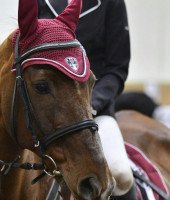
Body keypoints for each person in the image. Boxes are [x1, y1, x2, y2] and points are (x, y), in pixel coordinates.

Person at [38, 0, 136, 199]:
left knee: (121, 174)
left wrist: (90, 104)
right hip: (45, 115)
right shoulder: (41, 2)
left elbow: (116, 69)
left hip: (94, 112)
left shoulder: (112, 4)